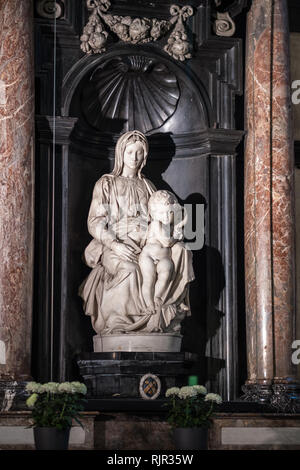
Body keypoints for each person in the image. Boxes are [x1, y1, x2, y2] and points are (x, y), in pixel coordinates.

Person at [79, 130, 194, 335]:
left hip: (148, 244)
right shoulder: (107, 184)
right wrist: (115, 245)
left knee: (181, 251)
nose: (134, 157)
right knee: (130, 270)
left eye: (139, 153)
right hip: (116, 244)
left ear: (145, 156)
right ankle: (120, 324)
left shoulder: (148, 186)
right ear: (121, 153)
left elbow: (164, 216)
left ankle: (158, 310)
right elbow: (94, 223)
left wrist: (173, 231)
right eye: (130, 152)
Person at [139, 190, 187, 316]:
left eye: (169, 213)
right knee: (149, 279)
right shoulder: (155, 224)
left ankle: (158, 298)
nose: (165, 217)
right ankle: (148, 303)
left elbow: (179, 233)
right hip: (149, 256)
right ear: (153, 214)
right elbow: (166, 242)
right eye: (161, 213)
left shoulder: (170, 226)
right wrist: (176, 235)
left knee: (167, 271)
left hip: (164, 258)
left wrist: (179, 225)